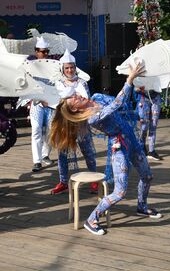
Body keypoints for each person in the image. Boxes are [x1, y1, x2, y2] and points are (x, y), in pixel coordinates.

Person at [50, 63, 162, 236]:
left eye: (77, 95)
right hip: (119, 147)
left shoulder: (96, 97)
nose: (79, 96)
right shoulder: (92, 119)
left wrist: (137, 92)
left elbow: (118, 104)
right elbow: (117, 103)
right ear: (75, 109)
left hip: (131, 139)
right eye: (75, 99)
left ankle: (142, 206)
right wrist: (129, 79)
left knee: (147, 176)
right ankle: (91, 219)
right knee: (120, 191)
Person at [51, 49, 97, 195]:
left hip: (81, 123)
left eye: (71, 67)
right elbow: (56, 103)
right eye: (67, 68)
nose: (69, 70)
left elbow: (88, 100)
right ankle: (63, 181)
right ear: (62, 69)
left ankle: (94, 180)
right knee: (62, 154)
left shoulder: (82, 83)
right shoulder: (58, 84)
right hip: (65, 125)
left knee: (88, 152)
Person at [28, 36, 55, 172]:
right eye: (41, 51)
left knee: (50, 131)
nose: (44, 54)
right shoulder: (30, 67)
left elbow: (56, 84)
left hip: (51, 104)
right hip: (36, 103)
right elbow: (27, 86)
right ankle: (37, 160)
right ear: (36, 52)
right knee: (36, 130)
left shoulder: (53, 66)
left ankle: (45, 154)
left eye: (46, 51)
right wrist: (39, 99)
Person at [134, 86, 163, 160]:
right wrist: (138, 89)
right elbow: (135, 88)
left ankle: (151, 151)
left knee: (153, 125)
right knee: (144, 126)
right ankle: (141, 148)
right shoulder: (140, 75)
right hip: (143, 98)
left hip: (156, 97)